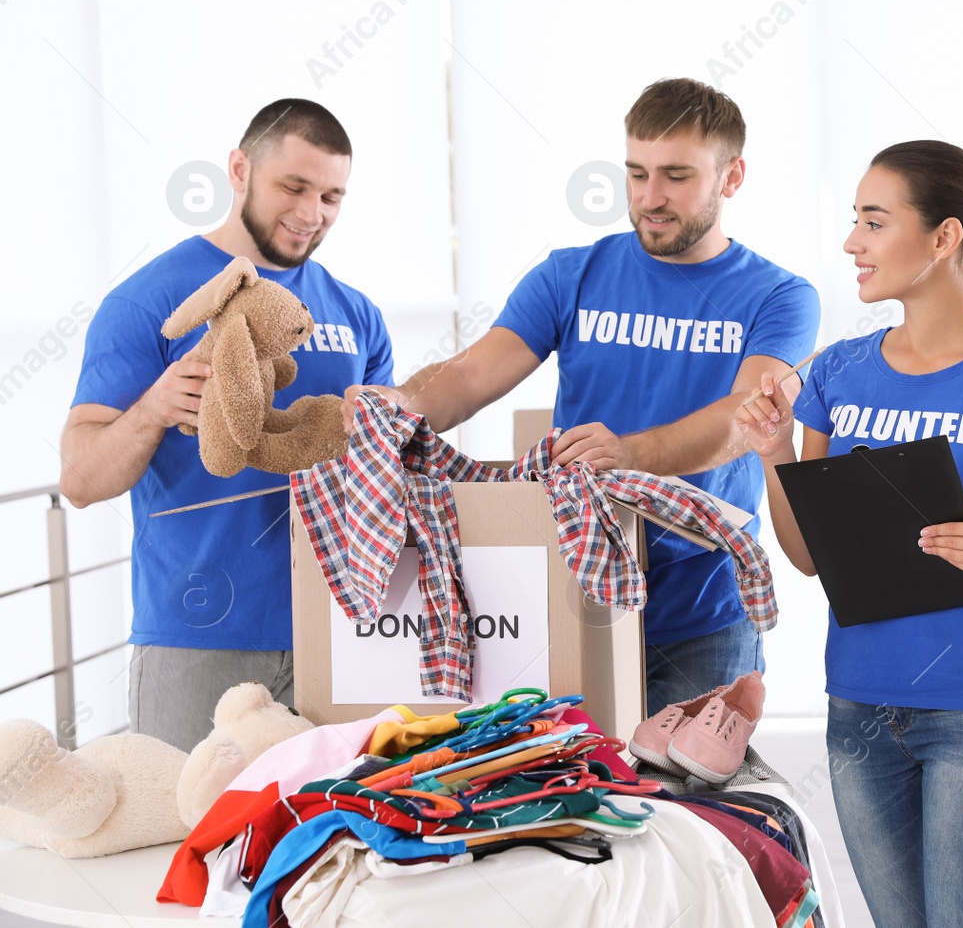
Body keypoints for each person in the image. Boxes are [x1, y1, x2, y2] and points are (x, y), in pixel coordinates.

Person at [345, 78, 820, 717]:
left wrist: (627, 452)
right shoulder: (571, 274)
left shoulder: (781, 297)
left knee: (698, 808)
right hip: (578, 601)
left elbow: (743, 419)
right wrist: (399, 401)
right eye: (636, 173)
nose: (650, 197)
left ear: (732, 177)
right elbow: (469, 375)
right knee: (582, 801)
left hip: (706, 613)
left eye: (676, 176)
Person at [737, 140, 963, 927]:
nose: (852, 243)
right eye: (854, 221)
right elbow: (807, 557)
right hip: (860, 708)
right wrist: (773, 452)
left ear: (943, 238)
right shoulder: (836, 372)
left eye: (874, 221)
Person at [61, 99, 393, 751]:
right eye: (293, 187)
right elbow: (79, 477)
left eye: (331, 195)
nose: (311, 213)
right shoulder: (150, 300)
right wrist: (154, 407)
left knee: (345, 842)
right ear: (240, 168)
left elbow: (389, 476)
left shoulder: (358, 314)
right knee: (188, 841)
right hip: (198, 639)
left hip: (344, 634)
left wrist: (387, 430)